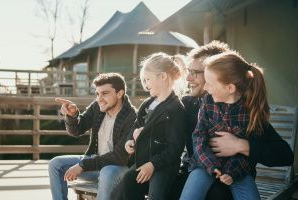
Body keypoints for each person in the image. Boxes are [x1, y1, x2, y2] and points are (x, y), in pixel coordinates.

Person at [169, 41, 293, 200]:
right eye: (189, 71)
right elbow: (192, 135)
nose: (188, 77)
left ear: (229, 86)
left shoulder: (250, 112)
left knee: (220, 194)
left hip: (236, 172)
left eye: (196, 72)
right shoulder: (191, 104)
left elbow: (285, 155)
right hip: (203, 166)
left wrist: (242, 146)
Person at [48, 73, 136, 200]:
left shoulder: (132, 117)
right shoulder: (97, 107)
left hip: (118, 168)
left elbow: (119, 157)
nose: (99, 98)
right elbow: (76, 130)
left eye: (105, 93)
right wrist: (72, 115)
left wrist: (83, 165)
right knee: (55, 164)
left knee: (107, 172)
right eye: (97, 94)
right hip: (94, 163)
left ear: (119, 93)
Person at [121, 52, 186, 200]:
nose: (146, 85)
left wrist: (153, 164)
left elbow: (175, 148)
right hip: (143, 161)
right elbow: (136, 125)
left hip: (164, 166)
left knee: (156, 196)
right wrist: (129, 140)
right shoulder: (148, 103)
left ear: (162, 77)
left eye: (148, 79)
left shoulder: (176, 109)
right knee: (128, 180)